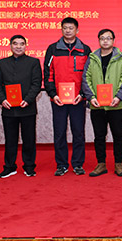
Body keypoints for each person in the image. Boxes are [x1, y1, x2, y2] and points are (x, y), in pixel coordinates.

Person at [44, 17, 91, 176]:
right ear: (61, 29)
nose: (68, 31)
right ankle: (61, 164)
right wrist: (53, 94)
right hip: (58, 100)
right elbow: (48, 74)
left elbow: (89, 75)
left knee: (78, 132)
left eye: (71, 28)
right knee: (59, 133)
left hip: (78, 99)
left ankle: (78, 164)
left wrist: (83, 94)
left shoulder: (85, 49)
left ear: (77, 30)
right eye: (65, 28)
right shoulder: (53, 49)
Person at [0, 35, 42, 178]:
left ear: (26, 46)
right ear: (10, 46)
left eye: (21, 44)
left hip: (27, 107)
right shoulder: (3, 63)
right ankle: (9, 167)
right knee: (10, 139)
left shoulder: (33, 62)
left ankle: (29, 166)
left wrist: (28, 99)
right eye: (15, 44)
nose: (18, 46)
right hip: (8, 108)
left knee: (29, 139)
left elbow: (36, 83)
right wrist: (2, 100)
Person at [82, 29, 122, 177]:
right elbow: (86, 78)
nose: (105, 41)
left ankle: (118, 164)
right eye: (102, 38)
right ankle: (101, 164)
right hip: (97, 105)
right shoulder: (92, 58)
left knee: (118, 136)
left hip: (117, 105)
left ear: (113, 40)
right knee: (99, 136)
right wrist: (91, 97)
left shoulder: (121, 57)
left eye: (108, 38)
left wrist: (119, 97)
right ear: (99, 40)